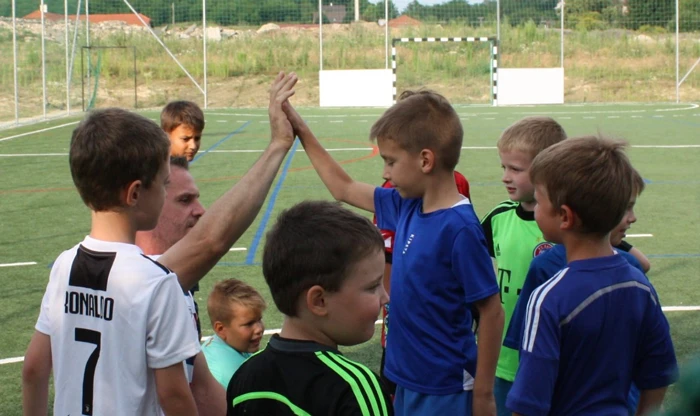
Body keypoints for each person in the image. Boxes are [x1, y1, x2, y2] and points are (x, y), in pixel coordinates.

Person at [283, 81, 504, 415]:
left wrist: (484, 395)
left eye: (390, 161)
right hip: (405, 378)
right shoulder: (407, 205)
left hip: (444, 386)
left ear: (425, 160)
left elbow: (491, 311)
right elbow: (343, 188)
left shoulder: (459, 229)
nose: (385, 172)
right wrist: (301, 130)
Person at [133, 71, 301, 411]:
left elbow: (202, 386)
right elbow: (213, 238)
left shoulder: (79, 267)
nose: (201, 210)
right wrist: (278, 145)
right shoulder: (146, 283)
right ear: (143, 200)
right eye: (184, 201)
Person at [22, 108, 200, 415]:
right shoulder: (157, 282)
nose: (165, 192)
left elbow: (34, 369)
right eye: (164, 183)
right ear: (134, 193)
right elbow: (174, 396)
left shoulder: (63, 266)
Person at [506, 136, 679, 416]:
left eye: (538, 201)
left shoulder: (549, 298)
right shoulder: (639, 284)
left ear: (564, 217)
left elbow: (528, 404)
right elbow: (658, 373)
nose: (535, 208)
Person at [227, 201, 393, 415]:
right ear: (319, 301)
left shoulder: (245, 378)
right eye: (372, 287)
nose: (385, 297)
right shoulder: (355, 389)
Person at [479, 116, 567, 415]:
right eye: (503, 167)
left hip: (552, 358)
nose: (506, 176)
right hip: (501, 358)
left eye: (515, 169)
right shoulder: (498, 217)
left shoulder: (568, 226)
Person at [374, 171, 471, 397]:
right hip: (403, 323)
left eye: (392, 160)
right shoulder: (393, 187)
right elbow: (387, 254)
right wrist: (391, 309)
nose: (386, 171)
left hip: (442, 341)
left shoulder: (457, 184)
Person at [203, 279, 266, 388]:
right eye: (249, 324)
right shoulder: (232, 375)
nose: (259, 329)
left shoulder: (221, 343)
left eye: (259, 320)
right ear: (221, 329)